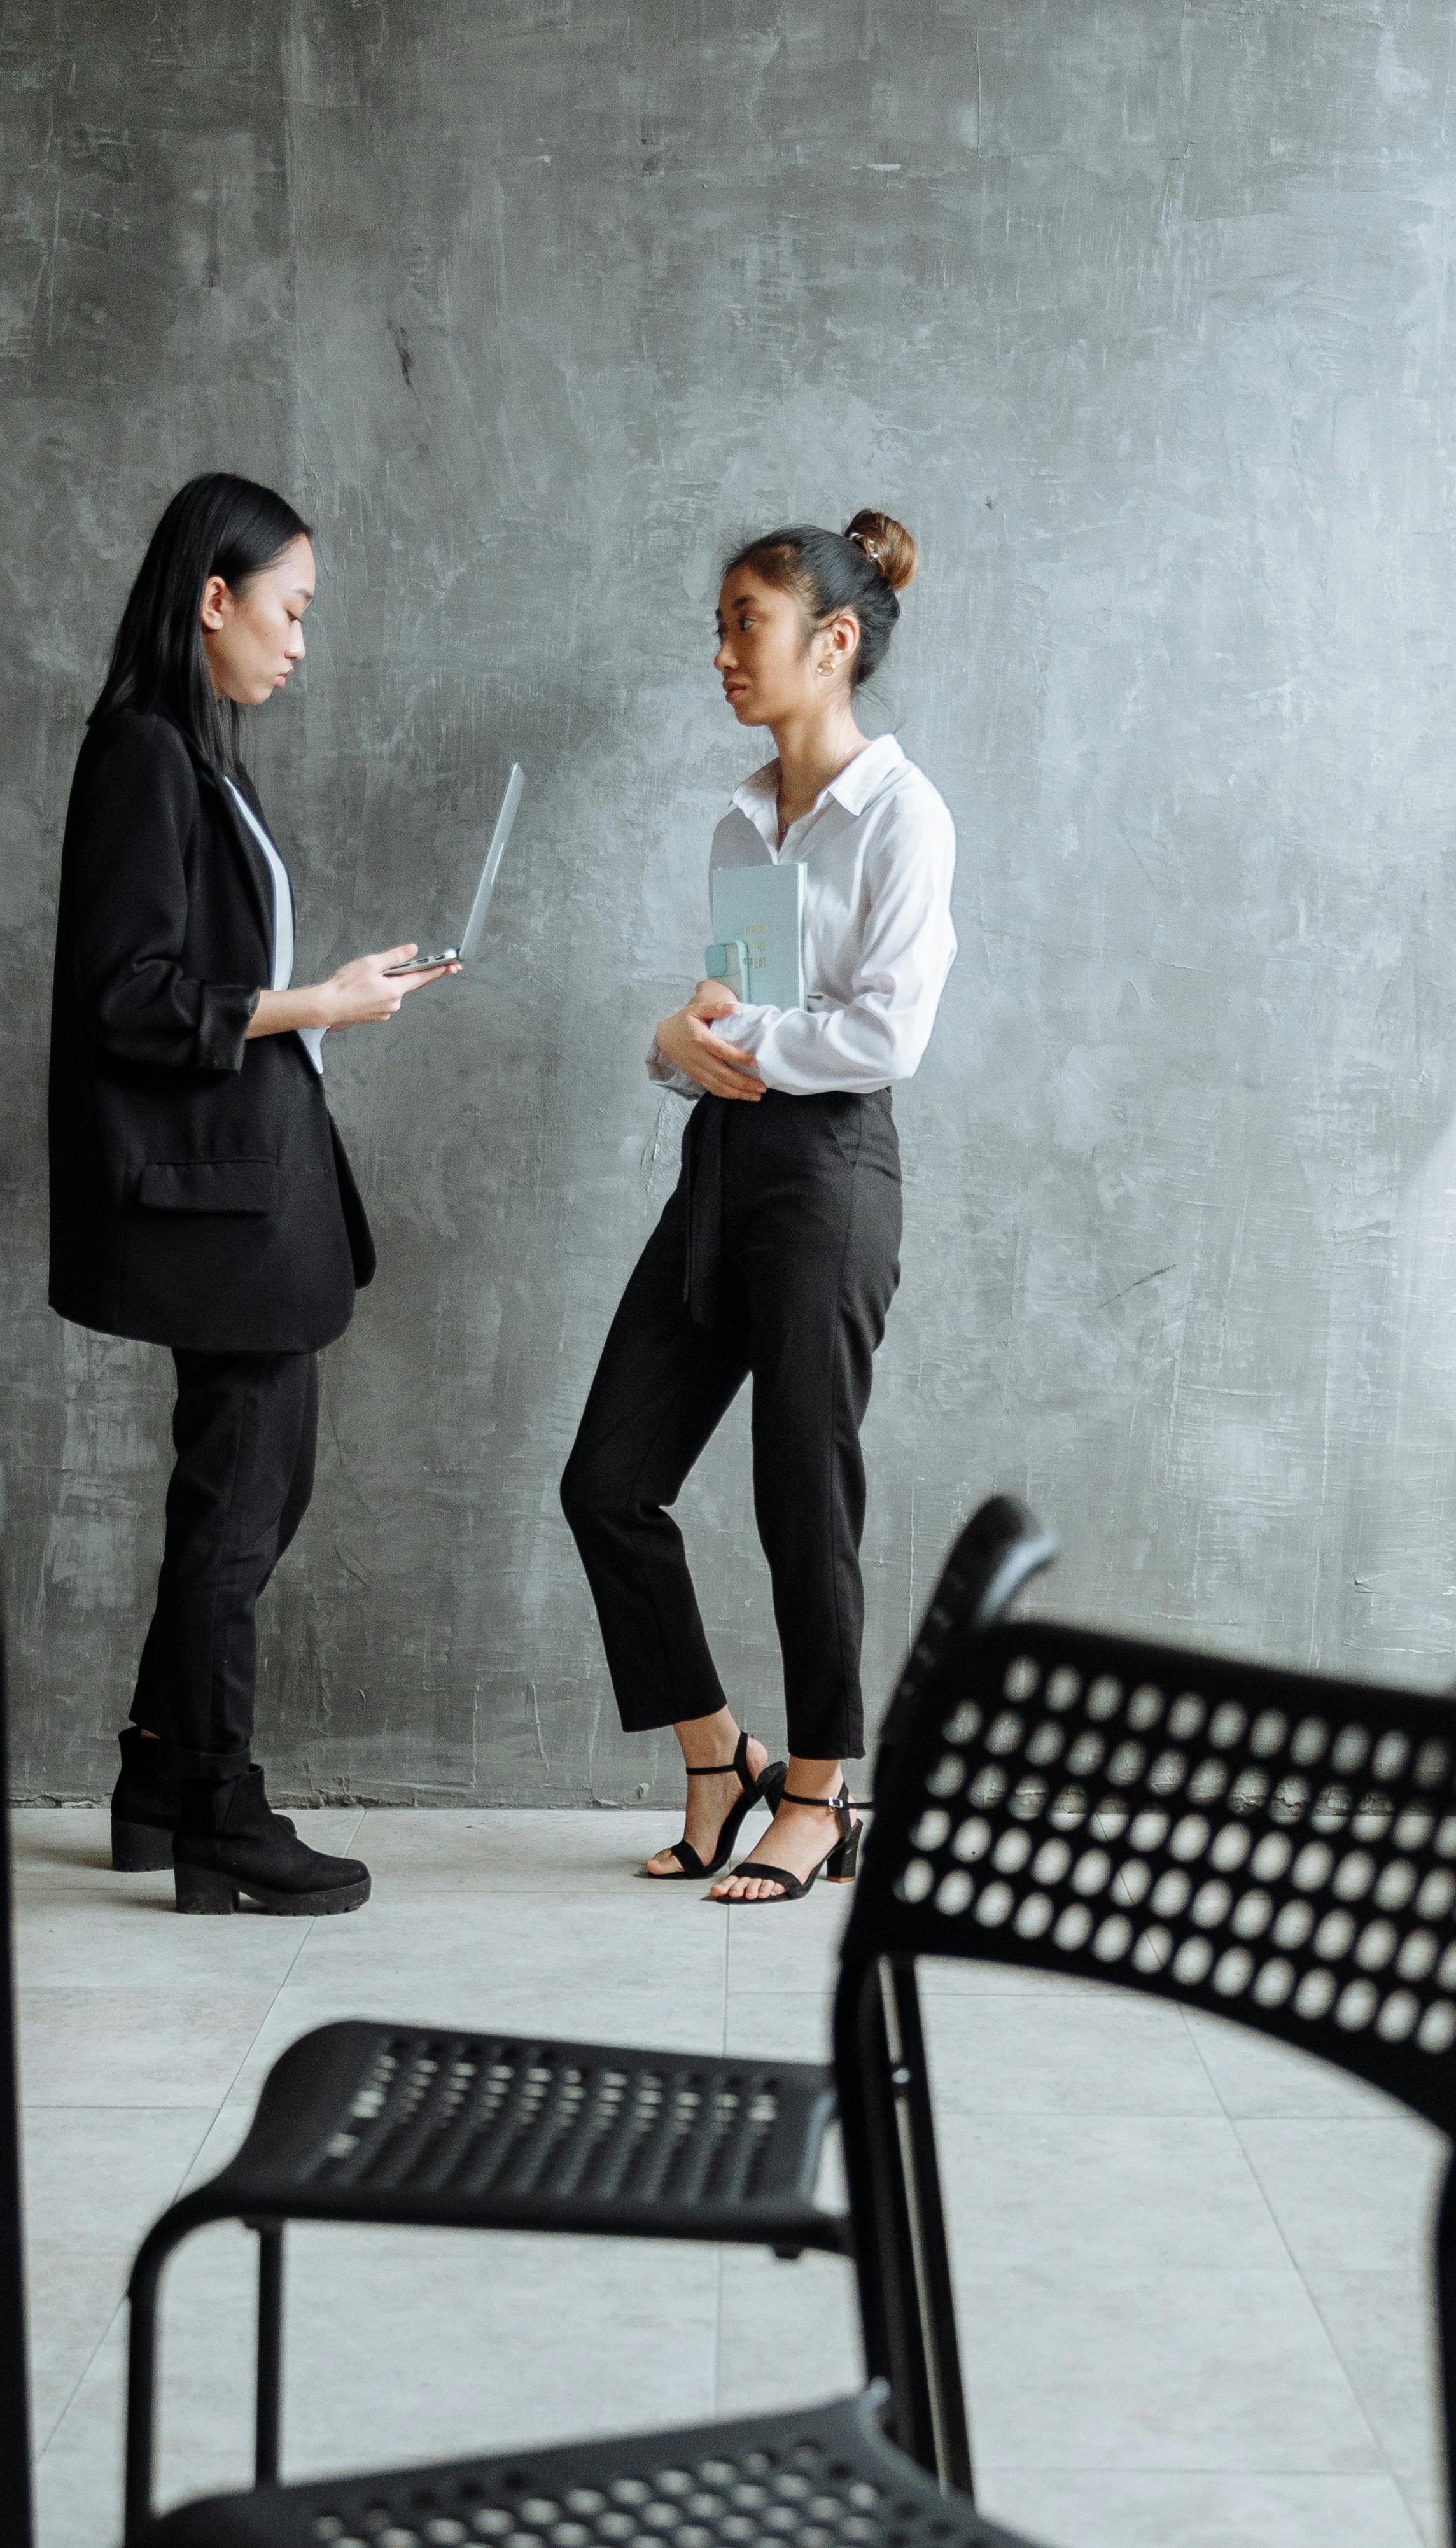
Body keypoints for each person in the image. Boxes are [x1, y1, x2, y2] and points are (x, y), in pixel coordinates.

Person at [48, 473, 450, 1915]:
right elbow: (128, 999)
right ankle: (217, 1816)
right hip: (214, 1206)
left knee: (252, 1498)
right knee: (238, 1507)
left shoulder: (196, 750)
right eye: (288, 611)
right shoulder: (143, 753)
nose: (299, 642)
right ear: (212, 600)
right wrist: (306, 1001)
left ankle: (162, 1777)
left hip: (249, 1190)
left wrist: (335, 1004)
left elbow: (199, 990)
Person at [559, 511, 957, 1903]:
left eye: (747, 622)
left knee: (804, 1490)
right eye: (721, 622)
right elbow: (730, 1019)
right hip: (724, 1171)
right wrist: (681, 1045)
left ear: (833, 642)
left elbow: (883, 1035)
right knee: (607, 1483)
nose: (721, 648)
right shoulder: (748, 814)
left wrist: (713, 1040)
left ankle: (822, 1792)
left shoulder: (904, 814)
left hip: (831, 1180)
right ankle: (720, 1757)